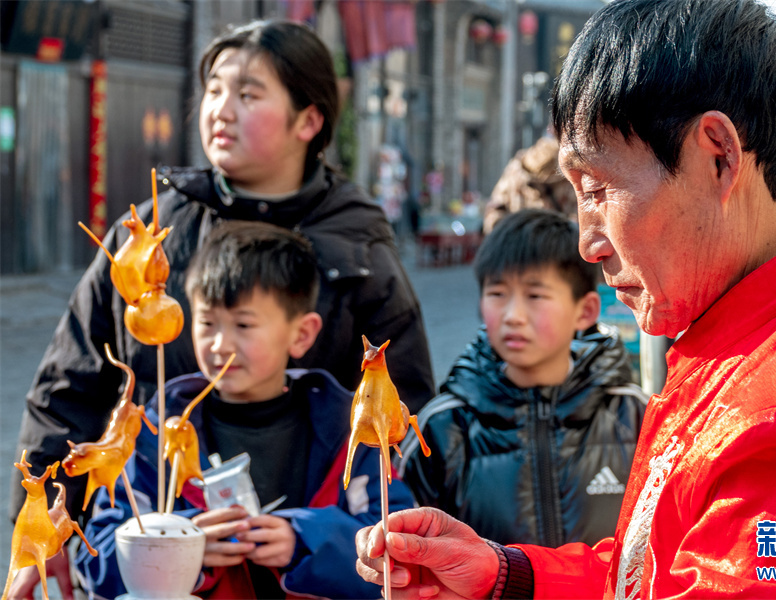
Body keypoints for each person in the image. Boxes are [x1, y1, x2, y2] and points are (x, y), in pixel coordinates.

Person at [355, 0, 776, 598]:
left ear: (718, 155)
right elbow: (661, 566)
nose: (587, 242)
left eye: (596, 189)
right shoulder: (746, 340)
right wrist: (508, 575)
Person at [8, 19, 433, 599]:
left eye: (248, 94)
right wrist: (41, 523)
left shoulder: (357, 244)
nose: (220, 110)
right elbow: (73, 385)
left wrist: (381, 548)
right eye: (213, 89)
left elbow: (402, 411)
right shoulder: (151, 237)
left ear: (308, 120)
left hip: (321, 564)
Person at [73, 221, 415, 599]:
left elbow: (398, 552)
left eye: (243, 324)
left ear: (301, 334)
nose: (220, 344)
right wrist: (180, 547)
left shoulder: (351, 429)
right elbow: (97, 558)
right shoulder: (156, 431)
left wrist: (305, 540)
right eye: (206, 323)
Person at [398, 208, 646, 546]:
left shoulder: (633, 416)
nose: (513, 316)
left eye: (535, 296)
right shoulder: (443, 427)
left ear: (585, 310)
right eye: (498, 294)